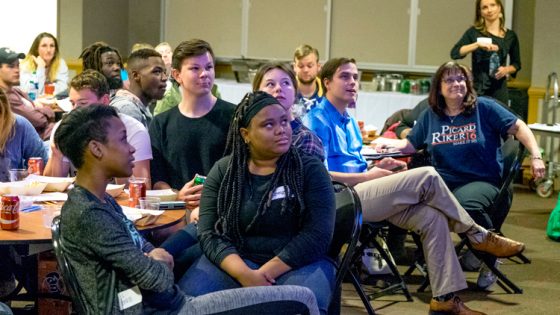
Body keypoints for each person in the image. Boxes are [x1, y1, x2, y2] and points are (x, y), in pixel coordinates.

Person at [303, 57, 525, 314]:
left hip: (362, 192)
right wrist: (368, 177)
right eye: (345, 76)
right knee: (428, 175)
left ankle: (445, 298)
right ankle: (477, 234)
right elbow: (319, 176)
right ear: (327, 82)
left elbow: (354, 162)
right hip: (339, 200)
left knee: (432, 218)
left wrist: (381, 166)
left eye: (355, 76)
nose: (352, 82)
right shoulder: (317, 119)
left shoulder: (349, 120)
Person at [54, 104, 320, 315]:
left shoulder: (102, 200)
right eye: (123, 139)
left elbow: (142, 248)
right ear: (96, 149)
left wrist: (153, 256)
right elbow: (156, 279)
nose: (132, 147)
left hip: (167, 304)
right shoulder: (89, 214)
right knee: (303, 299)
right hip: (166, 309)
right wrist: (157, 260)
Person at [379, 61, 544, 290]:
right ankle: (409, 261)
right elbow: (409, 145)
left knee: (467, 205)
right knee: (403, 196)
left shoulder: (484, 108)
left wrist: (536, 156)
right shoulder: (431, 115)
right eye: (449, 80)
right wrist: (384, 145)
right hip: (443, 182)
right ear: (439, 87)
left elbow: (519, 128)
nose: (456, 84)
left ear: (468, 84)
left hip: (481, 181)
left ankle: (490, 258)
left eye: (460, 79)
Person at [179, 91, 336, 315]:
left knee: (300, 307)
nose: (281, 129)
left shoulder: (309, 169)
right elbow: (209, 233)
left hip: (298, 263)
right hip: (235, 262)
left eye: (284, 121)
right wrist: (244, 274)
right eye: (268, 125)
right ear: (246, 134)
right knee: (188, 306)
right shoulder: (225, 170)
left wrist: (264, 274)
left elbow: (318, 234)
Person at [149, 39, 235, 209]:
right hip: (179, 213)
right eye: (195, 68)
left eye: (209, 67)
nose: (204, 74)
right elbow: (158, 179)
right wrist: (178, 196)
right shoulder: (161, 124)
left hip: (222, 212)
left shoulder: (234, 117)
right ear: (176, 75)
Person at [43, 70, 152, 187]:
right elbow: (51, 187)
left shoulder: (132, 130)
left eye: (82, 104)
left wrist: (115, 154)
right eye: (72, 103)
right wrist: (57, 154)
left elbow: (142, 187)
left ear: (105, 101)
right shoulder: (64, 128)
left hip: (118, 202)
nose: (74, 110)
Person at [450, 0, 520, 104]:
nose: (489, 10)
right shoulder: (474, 32)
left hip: (499, 90)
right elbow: (455, 53)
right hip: (478, 89)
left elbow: (517, 64)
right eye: (485, 7)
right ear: (480, 12)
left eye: (492, 5)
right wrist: (476, 45)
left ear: (499, 7)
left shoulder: (510, 36)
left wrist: (506, 70)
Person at [253, 61, 324, 161]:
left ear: (295, 91)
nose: (278, 88)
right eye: (270, 84)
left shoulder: (306, 139)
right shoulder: (249, 136)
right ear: (257, 93)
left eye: (285, 83)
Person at [0, 47, 55, 140]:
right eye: (11, 66)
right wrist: (46, 110)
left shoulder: (15, 90)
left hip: (49, 133)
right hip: (40, 141)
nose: (17, 70)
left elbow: (35, 109)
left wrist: (39, 109)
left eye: (18, 65)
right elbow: (39, 120)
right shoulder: (4, 97)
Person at [111, 48, 167, 128]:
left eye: (164, 72)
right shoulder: (128, 109)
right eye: (157, 72)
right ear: (136, 75)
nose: (164, 78)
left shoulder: (140, 107)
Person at [0, 88, 48, 180]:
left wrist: (26, 175)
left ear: (5, 114)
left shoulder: (19, 125)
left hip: (13, 191)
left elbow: (42, 165)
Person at [20, 32, 68, 97]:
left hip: (53, 101)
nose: (48, 50)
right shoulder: (26, 64)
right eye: (44, 46)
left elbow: (63, 88)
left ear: (55, 49)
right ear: (36, 49)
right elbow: (29, 92)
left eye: (52, 46)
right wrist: (40, 68)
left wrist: (43, 92)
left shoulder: (60, 63)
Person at [293, 44, 323, 111]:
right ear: (294, 67)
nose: (305, 70)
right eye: (301, 66)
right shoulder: (285, 92)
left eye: (310, 66)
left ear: (318, 67)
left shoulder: (329, 93)